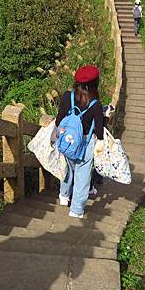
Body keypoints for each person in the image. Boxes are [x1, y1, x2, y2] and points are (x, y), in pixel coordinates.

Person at [54, 65, 105, 218]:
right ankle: (76, 210)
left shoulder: (66, 96)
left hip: (67, 140)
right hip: (84, 143)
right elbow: (99, 130)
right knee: (82, 176)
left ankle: (63, 196)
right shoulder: (95, 104)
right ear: (95, 84)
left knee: (67, 169)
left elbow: (59, 120)